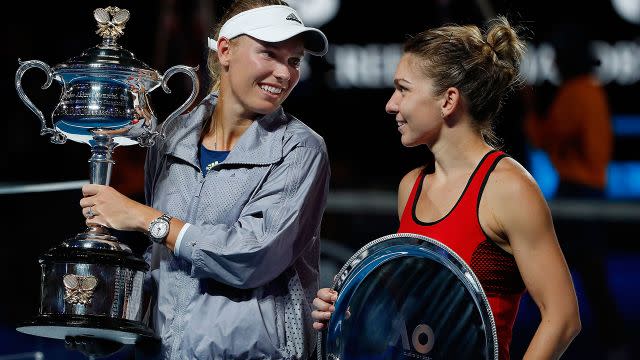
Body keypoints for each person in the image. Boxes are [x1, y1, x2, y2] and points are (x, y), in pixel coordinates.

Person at [312, 17, 581, 359]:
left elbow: (563, 318)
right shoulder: (410, 188)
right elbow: (412, 313)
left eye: (403, 89)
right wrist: (348, 307)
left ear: (448, 100)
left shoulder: (509, 189)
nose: (391, 104)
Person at [76, 0, 331, 358]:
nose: (284, 73)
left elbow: (253, 255)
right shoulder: (171, 135)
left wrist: (145, 219)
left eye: (293, 60)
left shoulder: (301, 148)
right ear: (225, 50)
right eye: (269, 54)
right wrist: (107, 314)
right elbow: (160, 260)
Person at [524, 24, 629, 359]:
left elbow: (543, 137)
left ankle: (538, 334)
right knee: (584, 270)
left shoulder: (576, 93)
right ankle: (611, 340)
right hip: (587, 192)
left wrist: (528, 110)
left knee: (540, 266)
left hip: (578, 194)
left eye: (558, 56)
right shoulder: (591, 90)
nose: (553, 62)